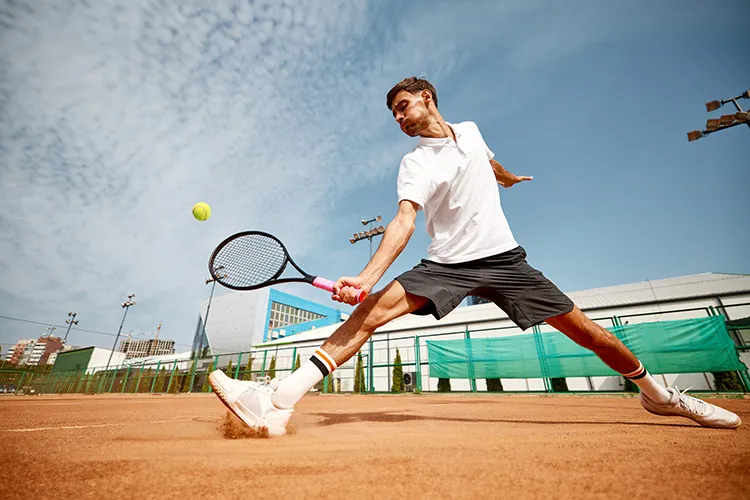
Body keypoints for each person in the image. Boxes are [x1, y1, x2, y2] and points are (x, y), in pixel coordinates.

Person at [209, 77, 741, 435]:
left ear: (427, 97)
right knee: (368, 313)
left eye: (402, 106)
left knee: (588, 332)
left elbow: (486, 160)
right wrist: (368, 275)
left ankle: (658, 395)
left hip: (506, 260)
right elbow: (405, 221)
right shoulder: (414, 165)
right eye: (394, 113)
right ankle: (278, 405)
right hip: (447, 265)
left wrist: (507, 177)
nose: (398, 118)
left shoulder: (469, 130)